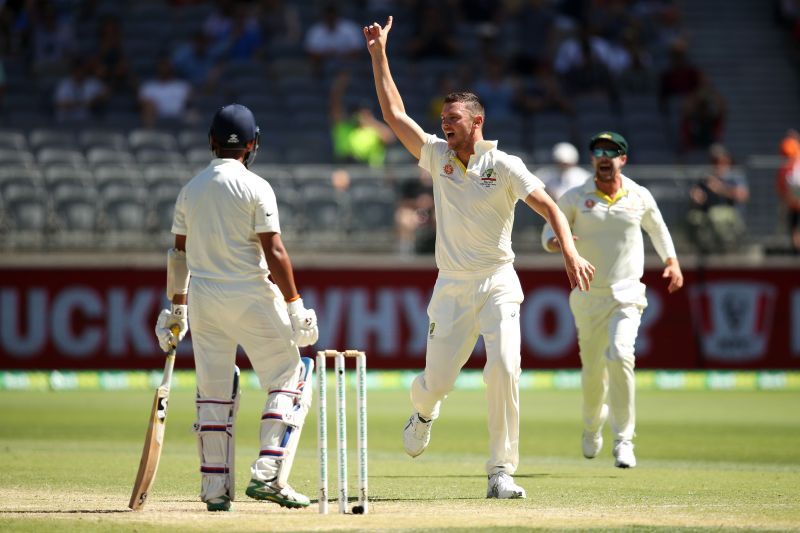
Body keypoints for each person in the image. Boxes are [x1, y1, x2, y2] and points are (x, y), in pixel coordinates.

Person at [364, 17, 595, 499]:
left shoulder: (504, 165)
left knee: (506, 366)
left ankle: (500, 472)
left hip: (497, 281)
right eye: (443, 120)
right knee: (435, 383)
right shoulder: (437, 157)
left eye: (453, 120)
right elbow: (394, 115)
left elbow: (549, 205)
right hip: (451, 286)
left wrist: (569, 250)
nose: (444, 126)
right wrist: (378, 54)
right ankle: (424, 412)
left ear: (478, 121)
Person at [153, 104, 319, 512]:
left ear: (211, 141)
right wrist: (295, 304)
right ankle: (269, 474)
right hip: (251, 295)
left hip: (205, 299)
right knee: (291, 374)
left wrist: (176, 308)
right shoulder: (256, 186)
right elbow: (274, 249)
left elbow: (178, 256)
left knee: (214, 391)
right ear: (252, 144)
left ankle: (214, 491)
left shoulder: (190, 189)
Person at [541, 131, 684, 469]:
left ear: (623, 159)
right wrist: (560, 244)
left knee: (620, 354)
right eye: (598, 152)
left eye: (612, 151)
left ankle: (624, 440)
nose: (604, 157)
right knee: (592, 372)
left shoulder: (638, 195)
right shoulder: (574, 197)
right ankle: (592, 428)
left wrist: (672, 262)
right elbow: (549, 233)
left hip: (627, 293)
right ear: (592, 160)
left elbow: (658, 229)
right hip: (589, 297)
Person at [686, 143, 748, 253]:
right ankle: (700, 249)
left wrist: (720, 188)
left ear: (728, 160)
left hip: (729, 211)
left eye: (721, 161)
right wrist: (696, 196)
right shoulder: (706, 177)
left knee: (715, 215)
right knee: (693, 217)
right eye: (714, 161)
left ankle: (725, 249)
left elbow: (742, 196)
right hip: (706, 212)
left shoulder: (735, 176)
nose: (718, 165)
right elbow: (697, 193)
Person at [776, 129, 800, 253]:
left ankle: (795, 247)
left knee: (794, 224)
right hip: (793, 194)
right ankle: (795, 247)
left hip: (793, 194)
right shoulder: (792, 148)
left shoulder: (792, 151)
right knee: (793, 223)